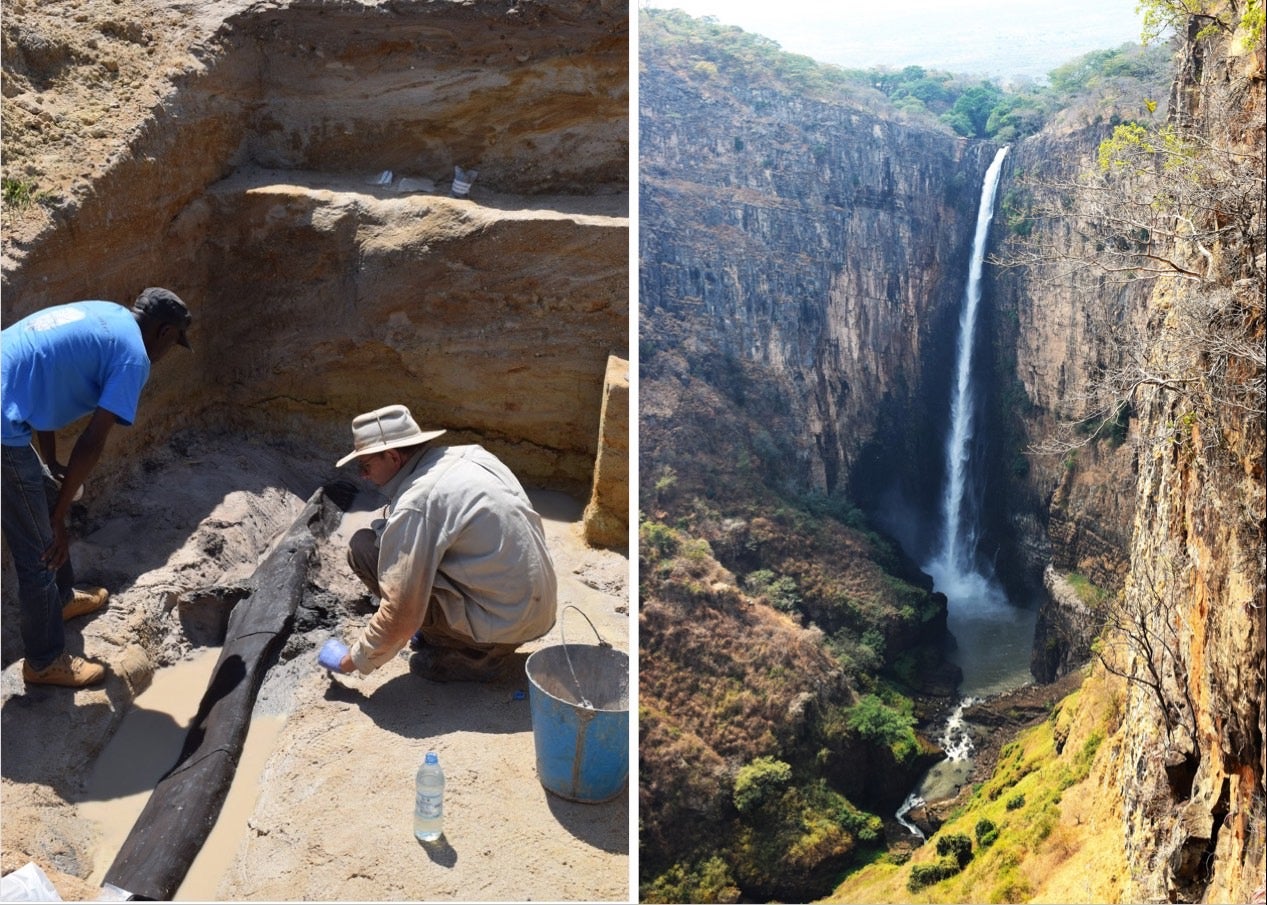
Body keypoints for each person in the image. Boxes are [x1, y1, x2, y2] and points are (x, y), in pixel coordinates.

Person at [1, 288, 193, 687]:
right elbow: (93, 441)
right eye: (174, 342)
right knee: (40, 550)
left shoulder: (107, 315)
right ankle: (44, 661)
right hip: (3, 426)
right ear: (163, 331)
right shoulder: (132, 357)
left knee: (50, 488)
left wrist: (51, 464)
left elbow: (42, 385)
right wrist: (57, 521)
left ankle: (63, 598)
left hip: (8, 396)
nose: (169, 352)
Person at [329, 403, 557, 683]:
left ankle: (473, 656)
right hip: (537, 610)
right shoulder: (472, 455)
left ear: (392, 456)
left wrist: (351, 661)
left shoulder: (418, 502)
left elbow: (399, 615)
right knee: (386, 545)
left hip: (503, 626)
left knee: (363, 550)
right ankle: (471, 638)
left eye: (365, 465)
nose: (363, 475)